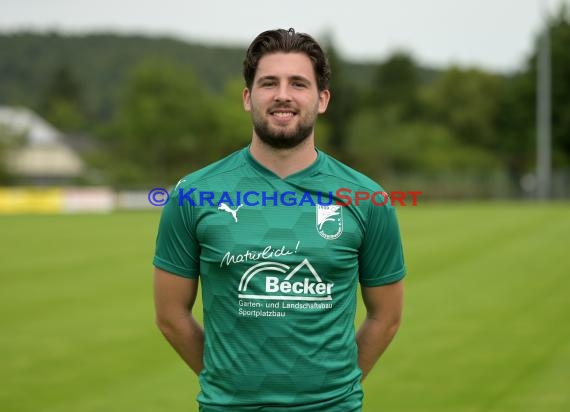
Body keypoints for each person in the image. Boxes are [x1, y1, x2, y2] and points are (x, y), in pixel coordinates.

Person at [153, 28, 406, 412]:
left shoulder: (367, 199)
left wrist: (336, 389)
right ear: (247, 97)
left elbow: (386, 317)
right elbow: (170, 315)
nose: (283, 95)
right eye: (269, 83)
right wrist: (225, 383)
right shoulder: (193, 194)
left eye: (298, 84)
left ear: (322, 99)